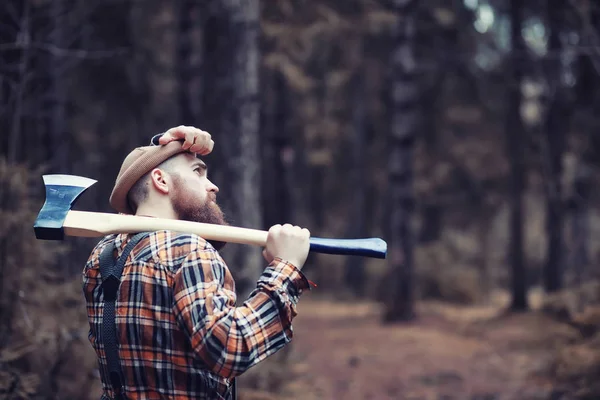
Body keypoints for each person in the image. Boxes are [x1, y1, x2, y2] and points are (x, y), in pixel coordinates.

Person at [82, 126, 313, 400]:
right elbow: (231, 348)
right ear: (161, 180)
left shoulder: (102, 256)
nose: (213, 185)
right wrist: (285, 269)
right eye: (198, 172)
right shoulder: (189, 250)